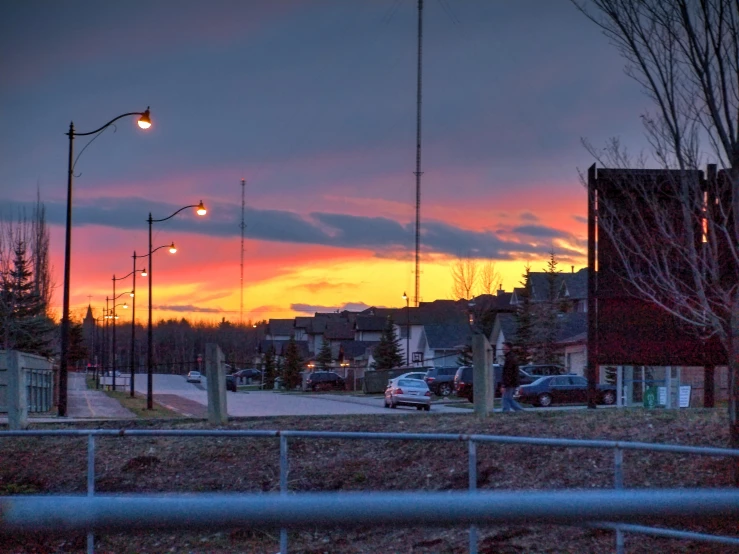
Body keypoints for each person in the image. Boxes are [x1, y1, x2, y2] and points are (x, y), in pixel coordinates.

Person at [501, 341, 524, 412]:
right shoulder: (511, 357)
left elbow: (509, 372)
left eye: (504, 347)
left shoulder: (510, 358)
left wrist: (505, 384)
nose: (502, 349)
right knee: (508, 398)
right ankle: (514, 411)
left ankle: (509, 411)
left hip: (510, 382)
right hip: (512, 382)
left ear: (508, 348)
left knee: (506, 398)